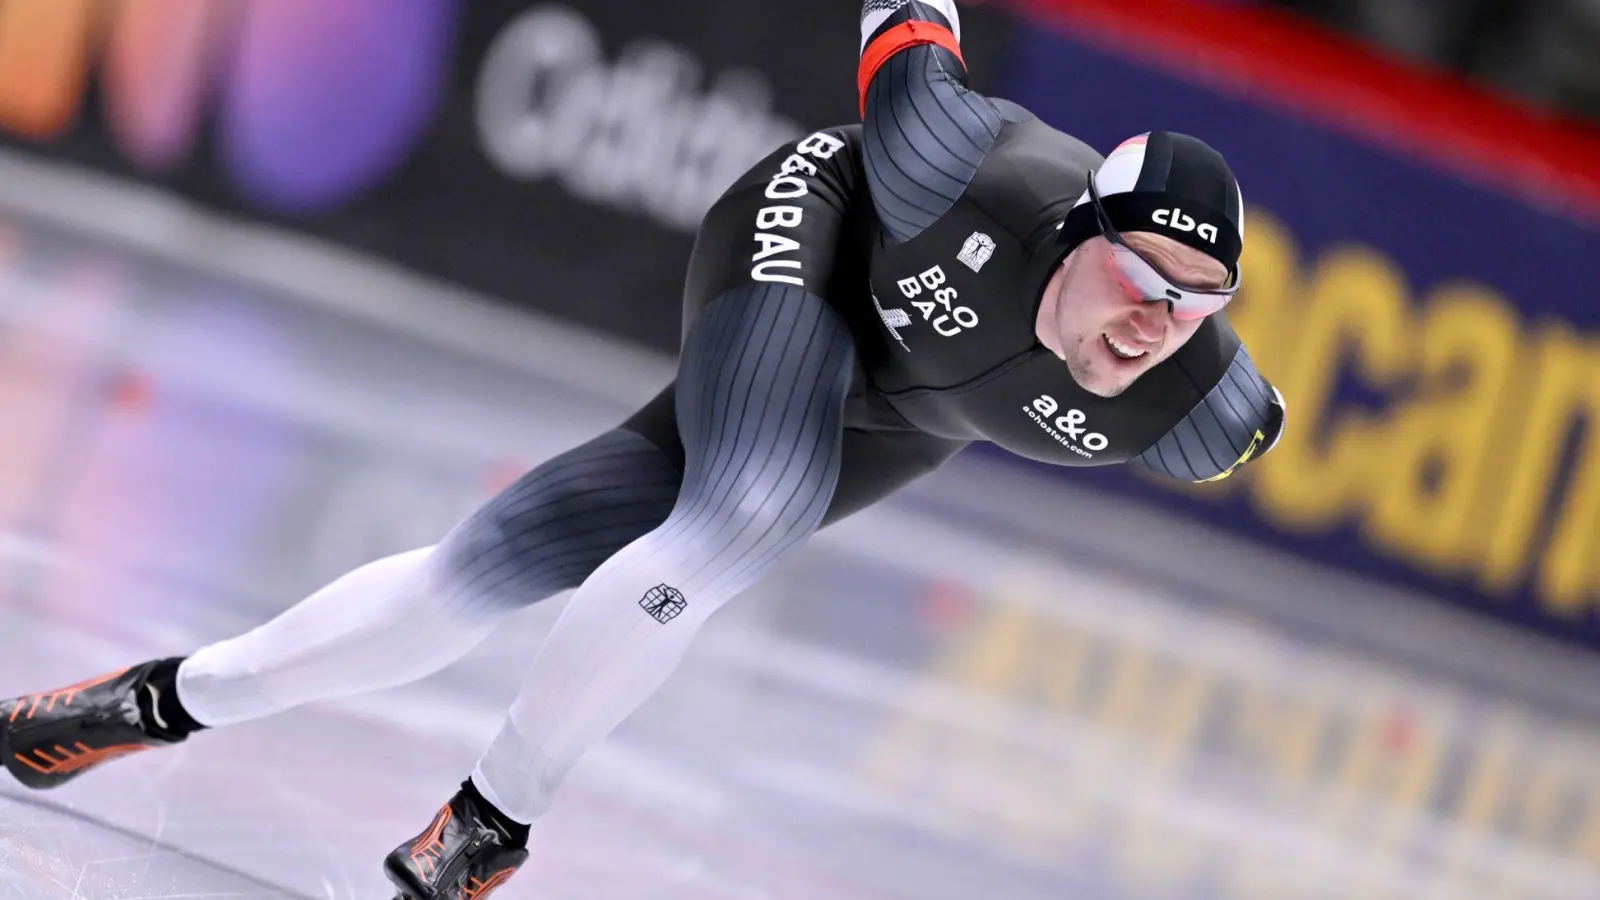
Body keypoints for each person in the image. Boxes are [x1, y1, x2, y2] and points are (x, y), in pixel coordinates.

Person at [0, 2, 1284, 897]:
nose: (1151, 325)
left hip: (903, 414)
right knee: (741, 510)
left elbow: (1235, 395)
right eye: (1137, 276)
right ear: (1075, 230)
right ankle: (493, 825)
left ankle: (155, 700)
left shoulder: (1196, 412)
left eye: (1195, 304)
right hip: (818, 237)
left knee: (494, 558)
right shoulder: (949, 164)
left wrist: (1188, 333)